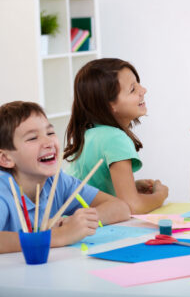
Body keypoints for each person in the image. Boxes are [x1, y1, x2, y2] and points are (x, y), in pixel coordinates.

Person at [0, 101, 130, 253]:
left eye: (50, 133)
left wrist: (76, 223)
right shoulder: (3, 191)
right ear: (6, 159)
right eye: (32, 138)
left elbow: (121, 208)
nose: (48, 142)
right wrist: (59, 236)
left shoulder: (57, 181)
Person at [64, 58, 168, 214]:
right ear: (108, 105)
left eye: (138, 84)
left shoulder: (89, 133)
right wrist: (160, 195)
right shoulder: (115, 138)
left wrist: (128, 187)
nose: (143, 90)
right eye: (133, 89)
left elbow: (93, 187)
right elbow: (133, 207)